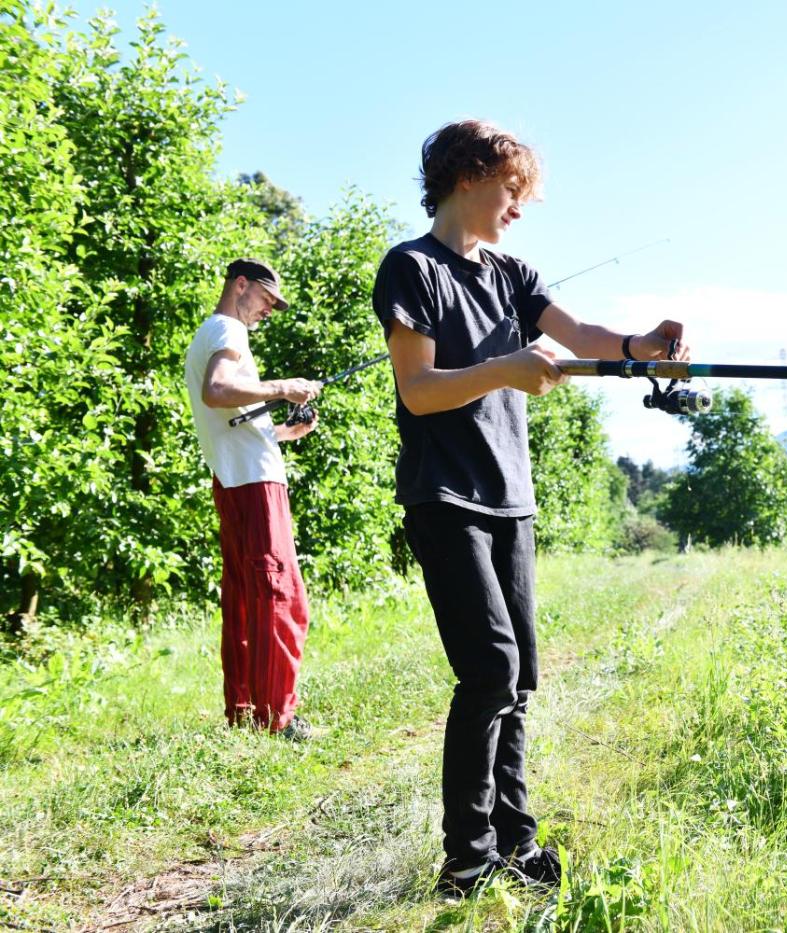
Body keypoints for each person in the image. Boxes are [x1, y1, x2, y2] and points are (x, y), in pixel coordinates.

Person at [372, 119, 688, 897]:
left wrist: (643, 345)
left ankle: (515, 839)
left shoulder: (513, 273)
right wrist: (505, 368)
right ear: (468, 176)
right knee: (489, 670)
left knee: (516, 680)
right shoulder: (412, 268)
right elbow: (418, 390)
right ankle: (467, 857)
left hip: (511, 498)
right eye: (513, 190)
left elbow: (578, 334)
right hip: (446, 496)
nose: (519, 207)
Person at [183, 258, 322, 741]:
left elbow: (231, 421)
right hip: (255, 485)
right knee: (281, 596)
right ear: (240, 285)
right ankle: (277, 718)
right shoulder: (228, 329)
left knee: (246, 597)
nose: (268, 310)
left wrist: (283, 432)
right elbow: (217, 390)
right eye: (266, 299)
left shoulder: (209, 333)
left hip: (235, 480)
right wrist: (284, 387)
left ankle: (245, 711)